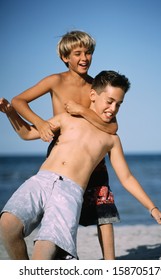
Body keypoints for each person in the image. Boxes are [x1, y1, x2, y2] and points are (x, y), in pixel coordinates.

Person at [0, 70, 161, 260]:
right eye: (109, 101)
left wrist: (152, 208)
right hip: (42, 180)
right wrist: (11, 114)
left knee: (44, 250)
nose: (113, 109)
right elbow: (27, 134)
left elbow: (127, 177)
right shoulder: (66, 118)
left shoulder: (111, 139)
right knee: (7, 224)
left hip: (69, 191)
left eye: (119, 104)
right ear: (93, 95)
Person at [10, 30, 120, 259]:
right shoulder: (55, 81)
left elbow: (111, 128)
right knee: (55, 213)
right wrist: (40, 123)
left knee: (104, 211)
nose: (84, 58)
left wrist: (82, 111)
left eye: (88, 52)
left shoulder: (96, 86)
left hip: (93, 157)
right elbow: (19, 101)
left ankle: (111, 265)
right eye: (78, 53)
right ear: (65, 57)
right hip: (63, 156)